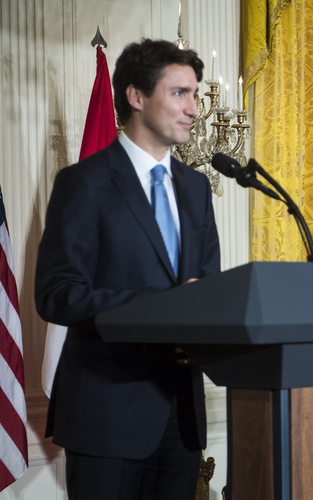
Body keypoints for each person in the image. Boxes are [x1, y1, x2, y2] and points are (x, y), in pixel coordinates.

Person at [35, 39, 220, 500]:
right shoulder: (83, 183)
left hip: (182, 417)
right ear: (136, 96)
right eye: (180, 93)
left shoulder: (196, 188)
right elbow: (56, 292)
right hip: (106, 416)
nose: (194, 109)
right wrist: (159, 307)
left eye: (195, 95)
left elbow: (207, 288)